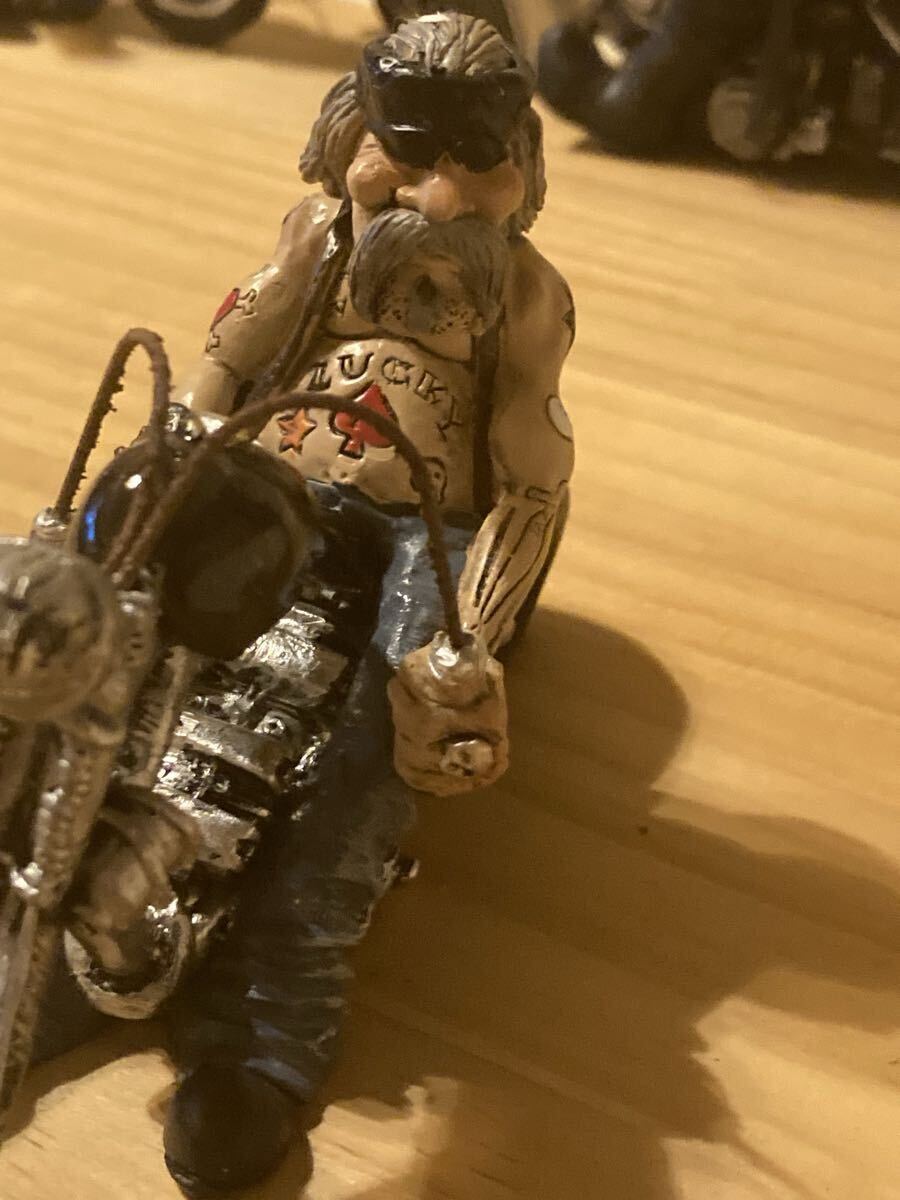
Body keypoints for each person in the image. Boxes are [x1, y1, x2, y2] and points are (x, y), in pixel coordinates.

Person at [65, 12, 575, 1196]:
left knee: (374, 750)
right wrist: (159, 493)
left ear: (520, 165)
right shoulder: (312, 241)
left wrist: (467, 637)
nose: (440, 197)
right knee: (119, 641)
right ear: (350, 137)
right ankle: (57, 888)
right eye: (409, 153)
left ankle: (269, 1027)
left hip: (425, 528)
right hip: (275, 480)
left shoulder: (525, 301)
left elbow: (533, 485)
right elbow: (227, 369)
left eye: (477, 162)